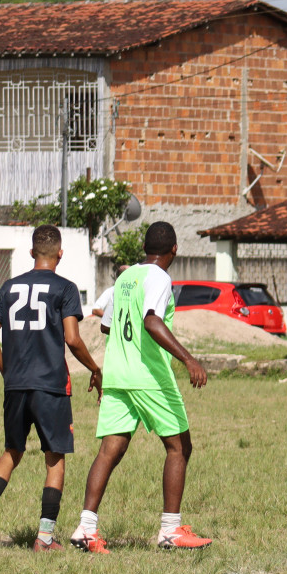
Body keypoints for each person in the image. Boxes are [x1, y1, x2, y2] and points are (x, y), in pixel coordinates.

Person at [73, 221, 213, 552]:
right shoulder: (160, 278)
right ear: (174, 249)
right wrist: (189, 360)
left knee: (110, 450)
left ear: (144, 249)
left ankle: (85, 529)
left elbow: (106, 325)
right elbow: (152, 320)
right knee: (179, 447)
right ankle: (170, 530)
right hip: (148, 377)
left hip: (118, 374)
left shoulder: (126, 277)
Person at [0, 225, 103, 552]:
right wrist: (95, 367)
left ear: (32, 253)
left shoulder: (9, 287)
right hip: (50, 387)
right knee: (54, 457)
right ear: (60, 253)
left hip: (16, 386)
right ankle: (44, 537)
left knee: (11, 452)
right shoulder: (66, 288)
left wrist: (9, 371)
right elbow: (72, 338)